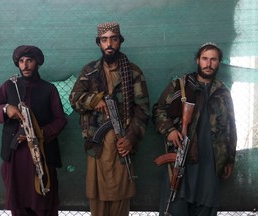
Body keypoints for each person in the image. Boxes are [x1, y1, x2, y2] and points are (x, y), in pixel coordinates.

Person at [69, 22, 150, 216]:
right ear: (99, 43)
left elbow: (142, 110)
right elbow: (74, 99)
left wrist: (130, 139)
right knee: (97, 198)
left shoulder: (133, 72)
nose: (109, 44)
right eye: (104, 40)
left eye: (113, 39)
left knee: (120, 197)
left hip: (121, 144)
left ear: (120, 41)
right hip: (97, 145)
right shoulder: (90, 71)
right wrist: (93, 100)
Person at [152, 42, 237, 216]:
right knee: (176, 206)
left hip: (211, 164)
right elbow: (158, 109)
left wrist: (230, 159)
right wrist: (170, 131)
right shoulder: (181, 85)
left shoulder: (222, 92)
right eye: (205, 59)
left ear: (219, 62)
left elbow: (231, 127)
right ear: (198, 60)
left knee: (206, 208)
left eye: (213, 59)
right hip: (184, 160)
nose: (209, 63)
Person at [0, 45, 67, 216]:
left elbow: (61, 120)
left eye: (30, 61)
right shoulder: (8, 86)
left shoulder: (49, 89)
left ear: (37, 63)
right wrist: (6, 108)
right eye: (21, 61)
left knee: (43, 203)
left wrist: (37, 134)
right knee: (19, 206)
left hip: (41, 156)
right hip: (14, 158)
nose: (25, 65)